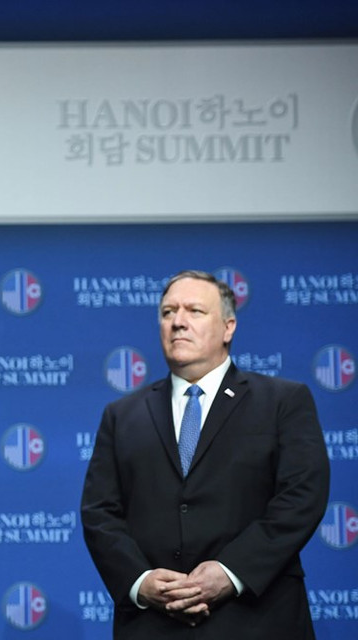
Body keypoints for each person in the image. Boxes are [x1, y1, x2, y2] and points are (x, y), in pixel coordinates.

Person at [80, 270, 329, 639]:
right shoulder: (122, 415)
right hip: (154, 624)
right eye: (167, 313)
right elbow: (99, 512)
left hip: (256, 620)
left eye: (194, 311)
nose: (178, 322)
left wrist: (230, 572)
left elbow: (301, 497)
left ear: (228, 327)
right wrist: (141, 581)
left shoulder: (282, 401)